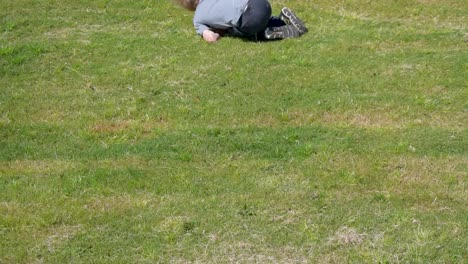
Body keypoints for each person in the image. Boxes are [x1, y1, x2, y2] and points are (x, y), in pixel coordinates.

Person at [176, 0, 308, 42]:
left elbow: (211, 38)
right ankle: (280, 19)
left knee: (235, 29)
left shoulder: (198, 18)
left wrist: (219, 31)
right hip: (261, 4)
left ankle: (272, 33)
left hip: (250, 18)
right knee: (256, 18)